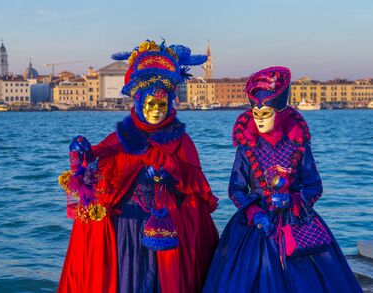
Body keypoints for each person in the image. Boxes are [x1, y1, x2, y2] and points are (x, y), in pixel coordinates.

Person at [58, 40, 219, 293]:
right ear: (138, 103)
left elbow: (194, 189)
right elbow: (98, 164)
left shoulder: (181, 140)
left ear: (170, 105)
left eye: (162, 105)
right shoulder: (123, 137)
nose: (156, 112)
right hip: (127, 229)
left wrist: (169, 176)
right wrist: (82, 151)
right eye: (150, 105)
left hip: (167, 229)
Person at [203, 66, 362, 293]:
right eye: (255, 114)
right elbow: (235, 189)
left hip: (295, 220)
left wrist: (294, 200)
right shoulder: (246, 148)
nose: (259, 120)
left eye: (265, 114)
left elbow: (314, 185)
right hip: (256, 224)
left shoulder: (298, 144)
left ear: (280, 112)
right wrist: (254, 213)